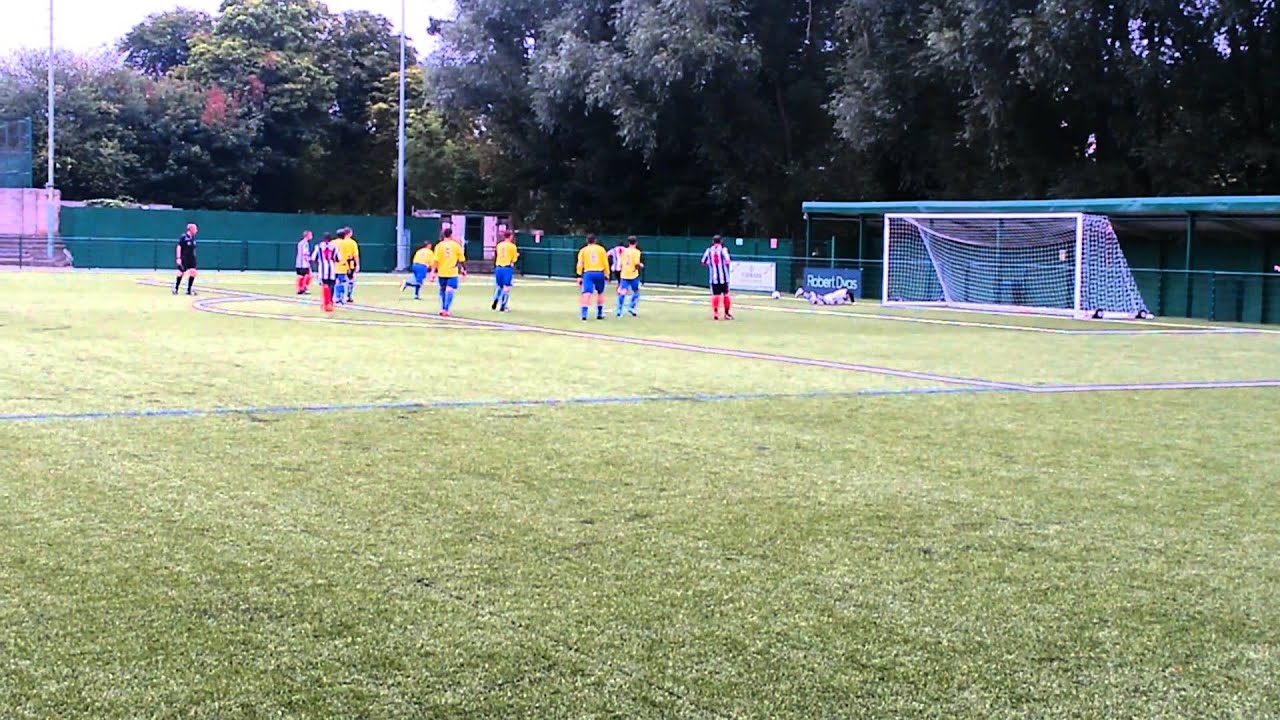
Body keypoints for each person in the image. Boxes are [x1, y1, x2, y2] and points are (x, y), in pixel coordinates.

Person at [432, 227, 467, 316]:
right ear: (451, 235)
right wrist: (464, 269)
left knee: (443, 290)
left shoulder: (439, 246)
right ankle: (446, 309)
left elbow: (436, 260)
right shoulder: (456, 245)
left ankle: (443, 308)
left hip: (441, 271)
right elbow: (461, 259)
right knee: (450, 289)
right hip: (452, 271)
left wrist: (432, 272)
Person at [576, 233, 610, 320]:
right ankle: (599, 313)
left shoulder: (583, 250)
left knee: (586, 293)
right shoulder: (601, 249)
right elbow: (605, 262)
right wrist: (607, 274)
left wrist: (579, 275)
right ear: (595, 240)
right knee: (600, 292)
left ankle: (584, 314)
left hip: (588, 273)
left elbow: (580, 263)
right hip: (599, 272)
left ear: (587, 241)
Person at [700, 234, 733, 320]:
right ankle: (726, 314)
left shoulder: (708, 250)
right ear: (721, 241)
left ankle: (715, 313)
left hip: (713, 277)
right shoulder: (723, 249)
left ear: (712, 242)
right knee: (726, 295)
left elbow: (703, 262)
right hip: (724, 277)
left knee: (715, 295)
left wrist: (711, 264)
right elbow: (728, 260)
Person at [311, 232, 340, 313]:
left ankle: (325, 303)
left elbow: (313, 258)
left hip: (323, 269)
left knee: (325, 286)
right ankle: (330, 302)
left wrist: (320, 262)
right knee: (332, 286)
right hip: (332, 269)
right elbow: (338, 258)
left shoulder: (318, 246)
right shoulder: (335, 247)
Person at [615, 236, 643, 317]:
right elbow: (636, 262)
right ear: (636, 242)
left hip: (624, 273)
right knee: (636, 291)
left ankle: (619, 310)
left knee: (622, 291)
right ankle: (631, 307)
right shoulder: (637, 252)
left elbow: (621, 262)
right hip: (633, 274)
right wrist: (640, 265)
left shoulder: (624, 251)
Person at [492, 230, 519, 311]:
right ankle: (503, 305)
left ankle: (496, 299)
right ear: (510, 236)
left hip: (498, 267)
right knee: (506, 287)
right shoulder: (512, 246)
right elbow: (514, 259)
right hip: (506, 268)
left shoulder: (499, 245)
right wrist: (517, 255)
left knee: (499, 286)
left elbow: (496, 255)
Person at [336, 227, 360, 303]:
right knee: (351, 280)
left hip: (338, 264)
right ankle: (349, 295)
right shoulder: (352, 242)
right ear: (349, 233)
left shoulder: (337, 242)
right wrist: (358, 265)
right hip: (350, 264)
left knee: (339, 281)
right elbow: (355, 255)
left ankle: (338, 296)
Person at [173, 223, 198, 296]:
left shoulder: (193, 238)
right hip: (184, 258)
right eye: (195, 229)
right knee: (181, 272)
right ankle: (176, 288)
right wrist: (178, 258)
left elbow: (193, 248)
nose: (196, 230)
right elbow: (179, 247)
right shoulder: (184, 237)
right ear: (191, 229)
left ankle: (189, 289)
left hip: (191, 258)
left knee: (193, 272)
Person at [294, 230, 313, 295]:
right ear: (307, 236)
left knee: (300, 276)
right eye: (311, 235)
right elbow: (305, 253)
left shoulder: (300, 243)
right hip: (304, 263)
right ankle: (304, 287)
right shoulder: (305, 243)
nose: (311, 236)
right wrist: (309, 260)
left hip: (298, 262)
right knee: (308, 275)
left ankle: (299, 289)